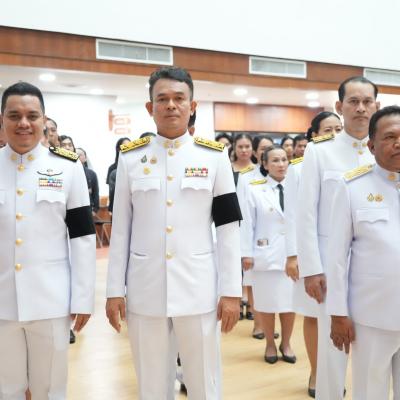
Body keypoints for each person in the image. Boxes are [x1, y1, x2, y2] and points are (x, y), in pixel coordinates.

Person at [105, 66, 242, 400]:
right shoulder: (131, 158)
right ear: (150, 108)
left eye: (179, 98)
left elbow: (228, 228)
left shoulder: (214, 156)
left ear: (192, 106)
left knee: (204, 383)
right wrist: (114, 291)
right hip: (145, 289)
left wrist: (232, 291)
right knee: (152, 386)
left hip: (198, 288)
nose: (171, 105)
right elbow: (120, 230)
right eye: (162, 99)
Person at [0, 81, 96, 399]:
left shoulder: (67, 167)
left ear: (43, 120)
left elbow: (83, 237)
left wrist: (83, 298)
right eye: (14, 115)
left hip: (51, 301)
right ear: (2, 120)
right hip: (1, 302)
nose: (23, 123)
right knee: (6, 389)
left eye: (32, 116)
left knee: (51, 388)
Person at [296, 76, 379, 400]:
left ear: (376, 105)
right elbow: (305, 214)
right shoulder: (320, 152)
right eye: (353, 101)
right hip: (329, 269)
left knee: (371, 351)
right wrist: (311, 269)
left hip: (374, 271)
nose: (360, 108)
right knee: (332, 352)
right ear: (339, 106)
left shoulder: (385, 151)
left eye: (367, 102)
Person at [326, 105, 400, 399]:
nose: (398, 143)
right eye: (390, 137)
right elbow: (336, 258)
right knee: (370, 391)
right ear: (371, 146)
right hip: (372, 316)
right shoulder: (352, 186)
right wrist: (337, 313)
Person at [284, 111, 342, 398]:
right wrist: (293, 255)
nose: (334, 134)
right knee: (313, 314)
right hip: (311, 254)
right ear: (314, 135)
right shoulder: (298, 167)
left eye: (338, 129)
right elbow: (294, 213)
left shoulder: (355, 157)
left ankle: (336, 373)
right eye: (327, 130)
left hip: (341, 253)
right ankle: (317, 371)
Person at [241, 145, 296, 364]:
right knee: (266, 304)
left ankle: (286, 343)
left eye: (284, 159)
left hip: (292, 256)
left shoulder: (298, 188)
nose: (281, 164)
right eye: (275, 160)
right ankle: (270, 344)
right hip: (265, 255)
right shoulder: (255, 189)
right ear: (264, 164)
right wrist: (246, 253)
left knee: (289, 304)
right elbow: (247, 224)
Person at [236, 134, 274, 337]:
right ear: (255, 152)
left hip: (276, 238)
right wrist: (245, 249)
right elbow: (242, 213)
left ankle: (270, 327)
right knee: (253, 284)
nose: (266, 152)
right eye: (262, 149)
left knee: (274, 286)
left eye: (269, 147)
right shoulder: (246, 176)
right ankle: (258, 324)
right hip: (254, 237)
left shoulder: (282, 173)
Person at [106, 137, 130, 213]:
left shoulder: (137, 166)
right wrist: (111, 208)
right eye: (125, 146)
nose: (128, 148)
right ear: (118, 149)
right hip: (117, 207)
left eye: (130, 145)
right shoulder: (112, 168)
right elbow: (111, 191)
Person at [76, 147, 100, 215]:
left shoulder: (92, 174)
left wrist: (95, 209)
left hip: (88, 208)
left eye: (80, 154)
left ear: (85, 158)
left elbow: (95, 193)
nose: (77, 156)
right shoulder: (68, 172)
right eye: (75, 154)